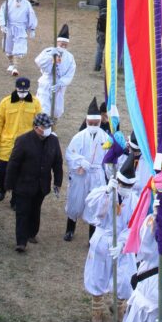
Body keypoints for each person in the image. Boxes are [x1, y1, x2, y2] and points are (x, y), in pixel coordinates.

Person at [83, 152, 140, 322]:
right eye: (123, 184)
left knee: (125, 278)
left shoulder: (134, 201)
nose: (125, 188)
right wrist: (107, 193)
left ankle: (120, 306)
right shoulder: (105, 192)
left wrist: (122, 243)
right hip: (103, 238)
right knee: (97, 273)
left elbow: (134, 226)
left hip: (123, 244)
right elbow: (93, 209)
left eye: (128, 186)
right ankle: (97, 308)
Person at [5, 112, 63, 252]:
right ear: (37, 127)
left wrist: (57, 182)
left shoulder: (53, 141)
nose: (48, 129)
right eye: (45, 126)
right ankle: (21, 241)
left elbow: (57, 162)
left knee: (35, 210)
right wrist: (9, 184)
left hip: (41, 186)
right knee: (22, 212)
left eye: (49, 126)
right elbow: (13, 163)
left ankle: (31, 233)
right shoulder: (23, 141)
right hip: (24, 185)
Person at [64, 97, 112, 242]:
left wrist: (109, 174)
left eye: (96, 123)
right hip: (81, 174)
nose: (93, 125)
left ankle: (92, 235)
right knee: (75, 200)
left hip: (97, 175)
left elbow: (109, 158)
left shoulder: (105, 137)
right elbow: (70, 154)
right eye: (90, 123)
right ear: (86, 122)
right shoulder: (79, 137)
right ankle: (70, 229)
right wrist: (81, 162)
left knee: (95, 203)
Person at [0, 77, 42, 203]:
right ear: (16, 88)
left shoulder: (35, 103)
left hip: (25, 147)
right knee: (2, 172)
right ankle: (2, 188)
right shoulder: (6, 102)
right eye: (20, 90)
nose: (22, 92)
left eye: (25, 90)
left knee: (21, 175)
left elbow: (39, 124)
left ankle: (15, 199)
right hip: (7, 145)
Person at [35, 23, 76, 120]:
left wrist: (60, 83)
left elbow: (70, 73)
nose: (63, 47)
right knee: (44, 109)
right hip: (46, 84)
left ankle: (52, 130)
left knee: (56, 111)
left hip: (59, 87)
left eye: (65, 45)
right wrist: (49, 57)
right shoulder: (49, 51)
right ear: (57, 43)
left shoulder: (70, 57)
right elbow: (39, 62)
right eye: (62, 44)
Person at [0, 0, 38, 76]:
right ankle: (11, 63)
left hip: (21, 28)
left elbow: (31, 15)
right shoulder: (8, 2)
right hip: (10, 27)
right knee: (8, 47)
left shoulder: (27, 4)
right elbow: (1, 14)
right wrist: (3, 25)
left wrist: (32, 28)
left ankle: (15, 68)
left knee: (19, 47)